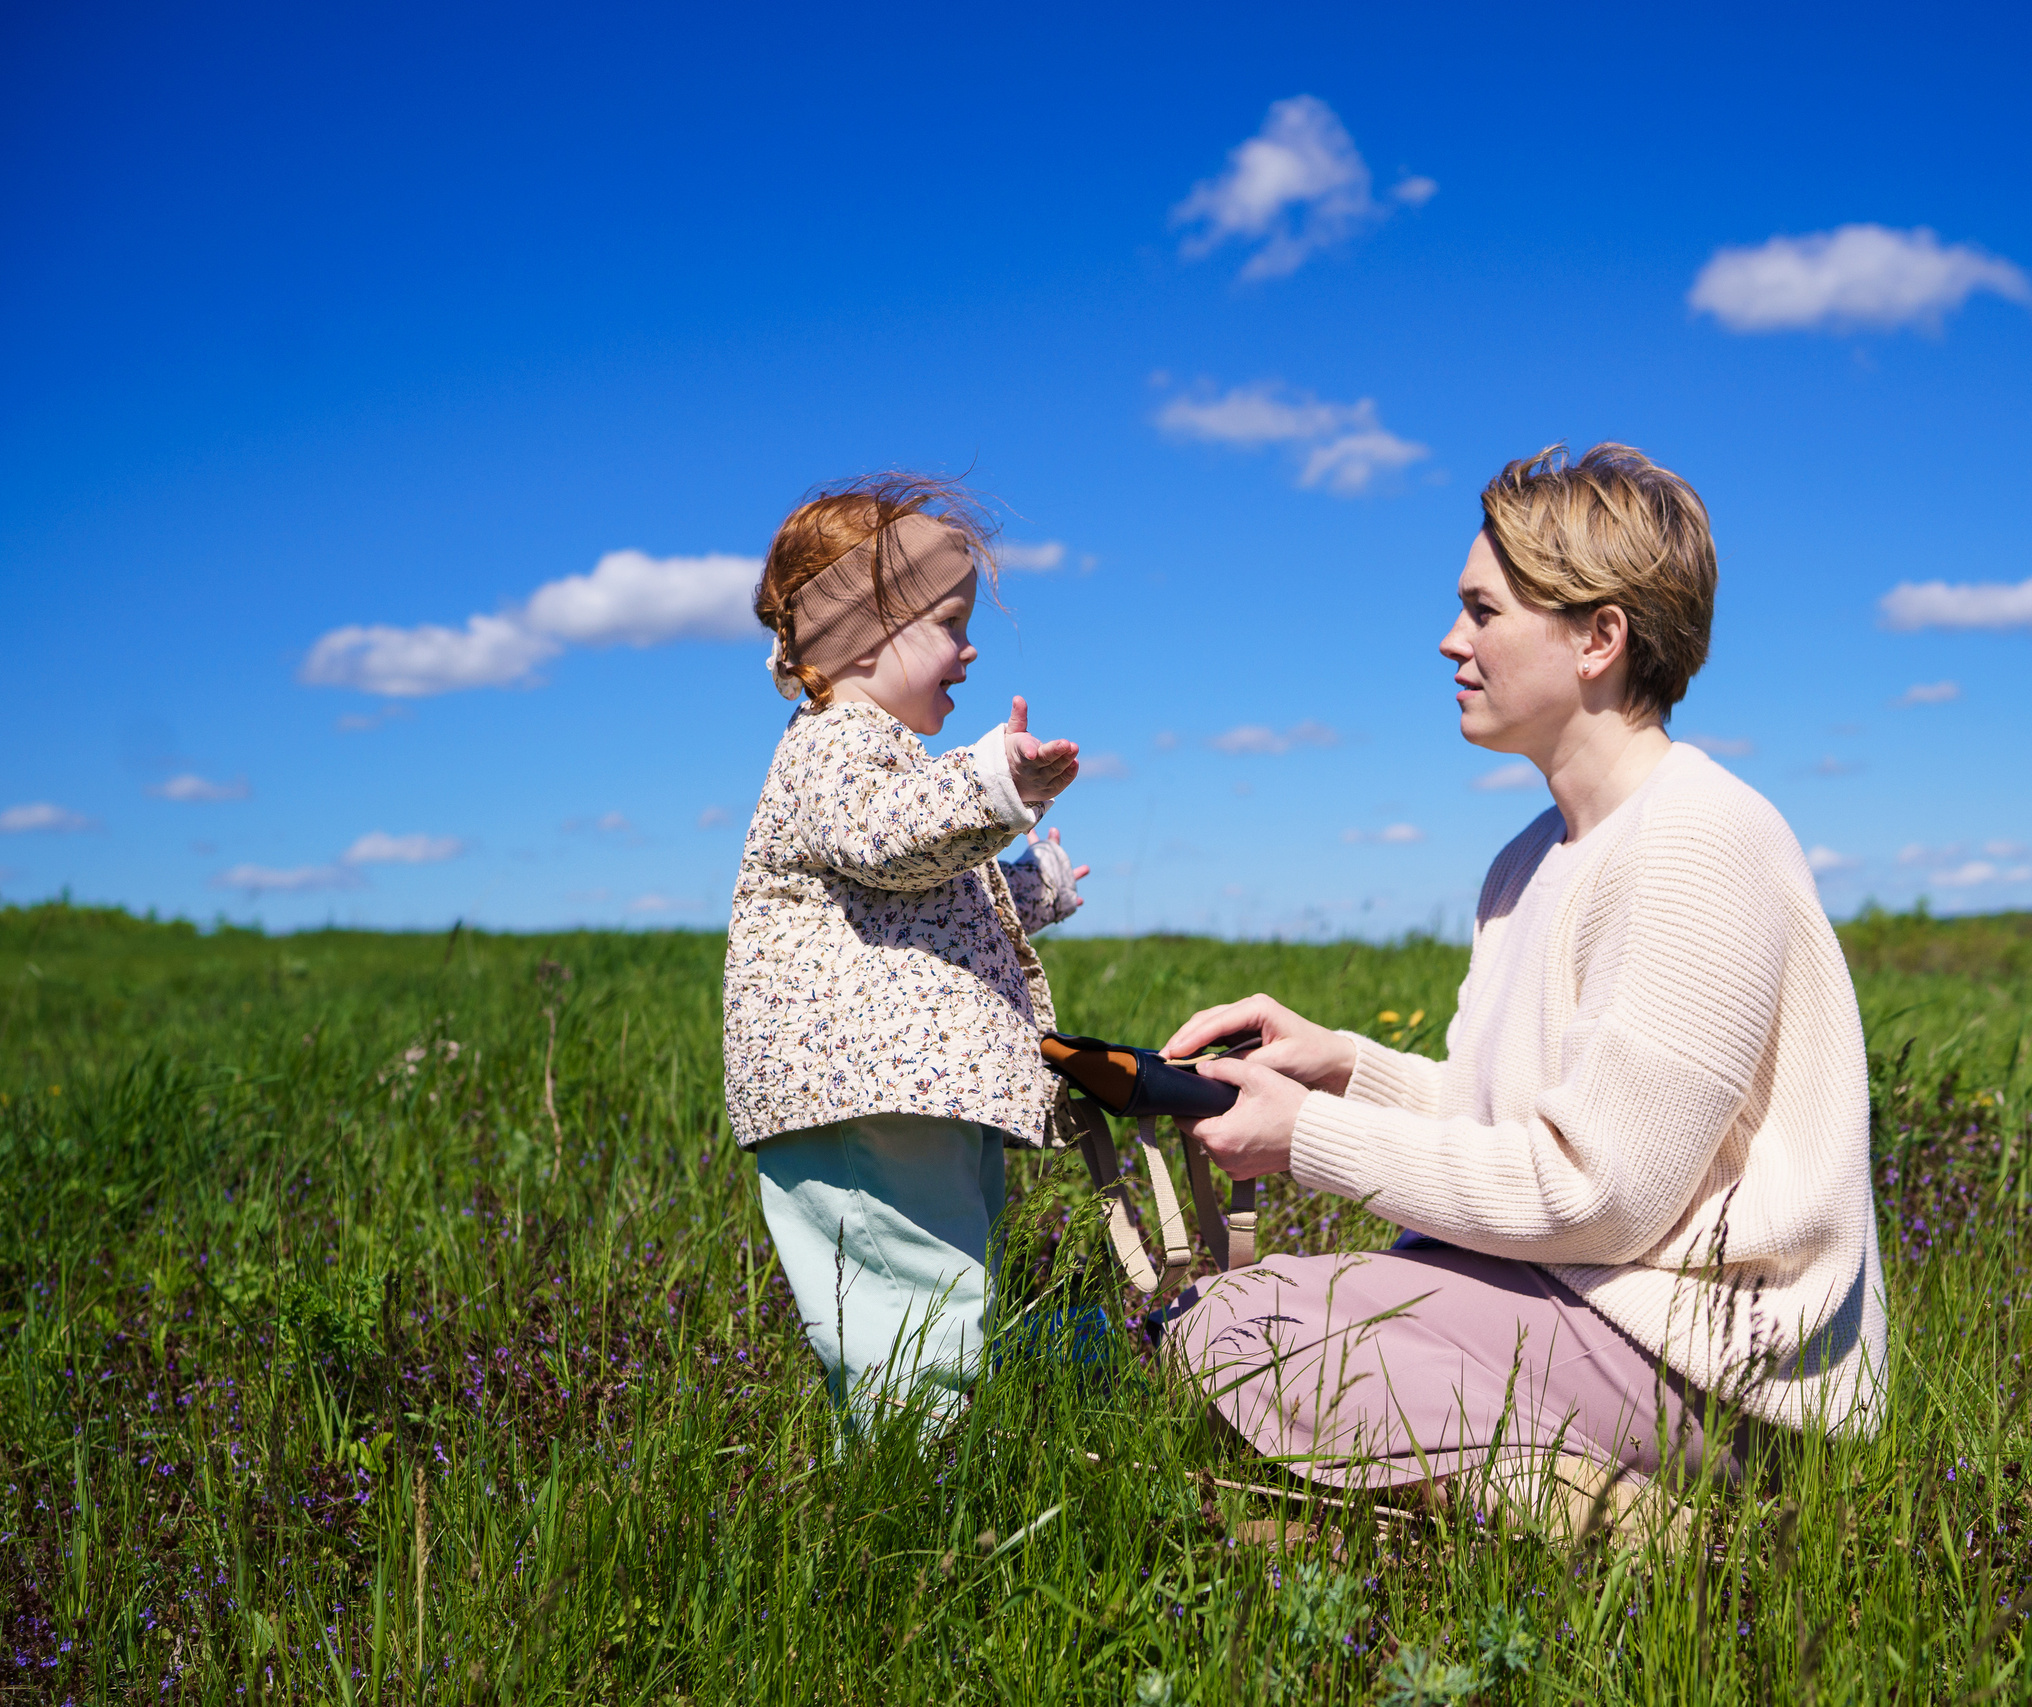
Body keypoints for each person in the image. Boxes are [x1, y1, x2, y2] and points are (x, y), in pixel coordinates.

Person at [1161, 444, 1885, 1524]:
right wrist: (1342, 1068)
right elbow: (1516, 1124)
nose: (1452, 641)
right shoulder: (1527, 859)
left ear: (1599, 638)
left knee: (1240, 1325)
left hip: (1706, 1354)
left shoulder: (1698, 840)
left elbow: (1600, 1193)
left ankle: (1631, 1533)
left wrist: (1306, 1139)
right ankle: (1478, 1506)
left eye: (1484, 611)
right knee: (1232, 1316)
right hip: (1588, 1301)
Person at [723, 473, 1089, 1424]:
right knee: (909, 1311)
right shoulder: (835, 745)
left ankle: (931, 1472)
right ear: (867, 632)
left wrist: (1032, 885)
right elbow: (891, 838)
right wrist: (997, 784)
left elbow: (925, 888)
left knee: (941, 1292)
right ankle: (912, 1510)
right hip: (860, 1089)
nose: (970, 649)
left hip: (907, 1085)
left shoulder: (887, 763)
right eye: (950, 622)